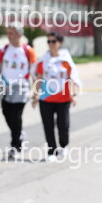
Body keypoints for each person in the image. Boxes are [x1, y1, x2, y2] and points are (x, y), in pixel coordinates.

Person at [31, 32, 81, 162]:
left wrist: (73, 95)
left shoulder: (65, 60)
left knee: (63, 125)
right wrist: (35, 95)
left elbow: (72, 78)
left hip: (63, 98)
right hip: (46, 98)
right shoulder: (44, 60)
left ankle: (64, 145)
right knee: (48, 126)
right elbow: (39, 79)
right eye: (49, 42)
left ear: (60, 43)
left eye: (53, 41)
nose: (51, 44)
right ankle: (51, 151)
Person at [0, 23, 36, 158]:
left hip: (21, 87)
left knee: (16, 116)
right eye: (8, 33)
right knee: (6, 113)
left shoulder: (28, 51)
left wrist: (36, 91)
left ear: (19, 34)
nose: (8, 36)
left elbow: (34, 72)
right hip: (5, 86)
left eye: (11, 33)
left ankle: (16, 145)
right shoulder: (3, 50)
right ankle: (19, 133)